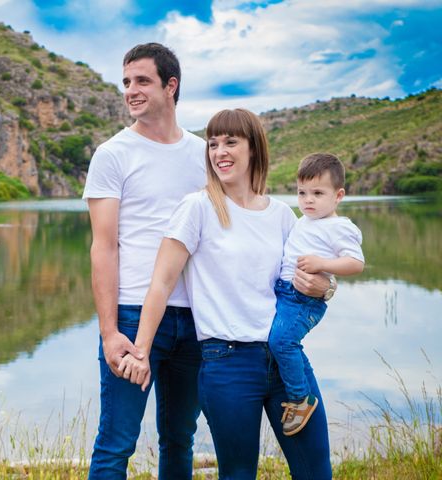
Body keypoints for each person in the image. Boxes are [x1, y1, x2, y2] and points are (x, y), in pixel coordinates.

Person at [120, 109, 333, 479]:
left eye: (231, 141)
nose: (220, 151)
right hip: (227, 363)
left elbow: (310, 278)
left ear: (254, 148)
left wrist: (327, 287)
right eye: (213, 143)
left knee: (316, 471)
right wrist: (141, 350)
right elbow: (161, 282)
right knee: (237, 474)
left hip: (285, 359)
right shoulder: (197, 208)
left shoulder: (282, 215)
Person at [82, 42, 207, 479]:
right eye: (126, 82)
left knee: (179, 440)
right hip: (134, 315)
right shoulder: (112, 154)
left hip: (195, 318)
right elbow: (104, 246)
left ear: (171, 86)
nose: (131, 91)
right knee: (117, 443)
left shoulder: (204, 154)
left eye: (142, 81)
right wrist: (109, 330)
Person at [269, 153, 364, 436]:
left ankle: (300, 398)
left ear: (338, 196)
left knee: (283, 342)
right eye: (302, 193)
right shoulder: (304, 220)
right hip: (286, 294)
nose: (308, 200)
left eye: (318, 193)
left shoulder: (340, 227)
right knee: (278, 340)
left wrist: (323, 265)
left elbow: (356, 263)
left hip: (304, 300)